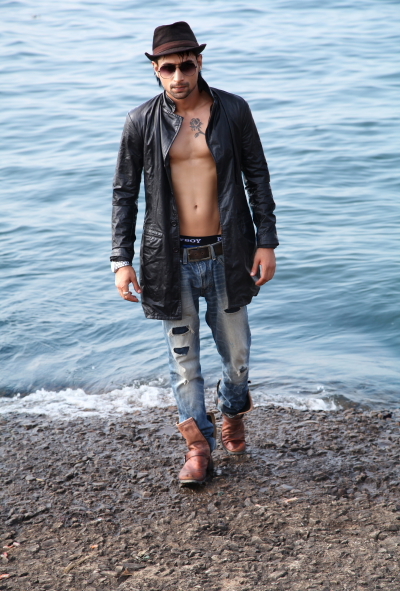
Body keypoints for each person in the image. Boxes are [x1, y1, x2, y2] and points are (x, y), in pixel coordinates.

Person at [111, 22, 278, 485]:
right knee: (184, 364)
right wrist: (121, 260)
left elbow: (257, 178)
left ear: (199, 62)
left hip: (228, 253)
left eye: (186, 65)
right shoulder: (140, 121)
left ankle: (232, 409)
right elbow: (124, 193)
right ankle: (198, 447)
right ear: (156, 70)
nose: (178, 76)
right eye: (168, 68)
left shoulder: (233, 110)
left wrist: (266, 241)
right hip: (170, 260)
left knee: (237, 356)